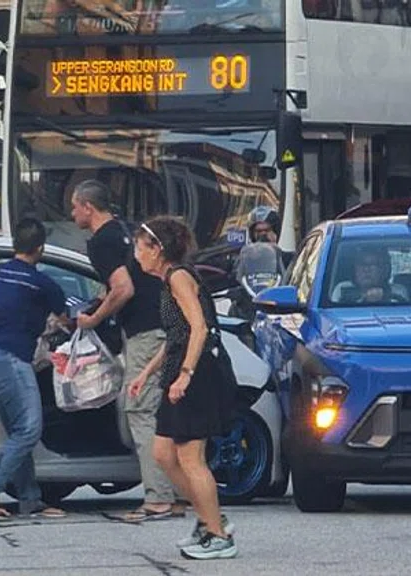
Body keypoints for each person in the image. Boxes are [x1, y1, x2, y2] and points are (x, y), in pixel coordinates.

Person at [69, 179, 183, 522]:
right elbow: (120, 283)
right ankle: (176, 493)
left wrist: (93, 320)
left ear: (88, 208)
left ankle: (158, 498)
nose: (72, 213)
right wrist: (98, 304)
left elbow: (123, 287)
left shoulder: (100, 242)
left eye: (75, 207)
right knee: (163, 412)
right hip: (164, 325)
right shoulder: (125, 232)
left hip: (145, 333)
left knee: (140, 410)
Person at [130, 215, 239, 560]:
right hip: (179, 368)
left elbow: (199, 328)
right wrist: (146, 373)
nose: (136, 254)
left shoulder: (178, 277)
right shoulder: (168, 281)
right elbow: (176, 335)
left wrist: (186, 375)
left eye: (139, 247)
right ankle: (209, 519)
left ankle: (218, 535)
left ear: (157, 250)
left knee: (191, 456)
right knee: (163, 453)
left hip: (197, 372)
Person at [0, 218, 69, 521]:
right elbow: (65, 320)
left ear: (15, 245)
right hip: (13, 362)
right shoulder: (42, 283)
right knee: (30, 428)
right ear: (41, 249)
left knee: (17, 431)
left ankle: (30, 499)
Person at [330, 245, 409, 304]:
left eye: (373, 264)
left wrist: (384, 296)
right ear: (354, 268)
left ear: (383, 270)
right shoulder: (342, 290)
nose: (366, 269)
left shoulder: (397, 292)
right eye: (362, 264)